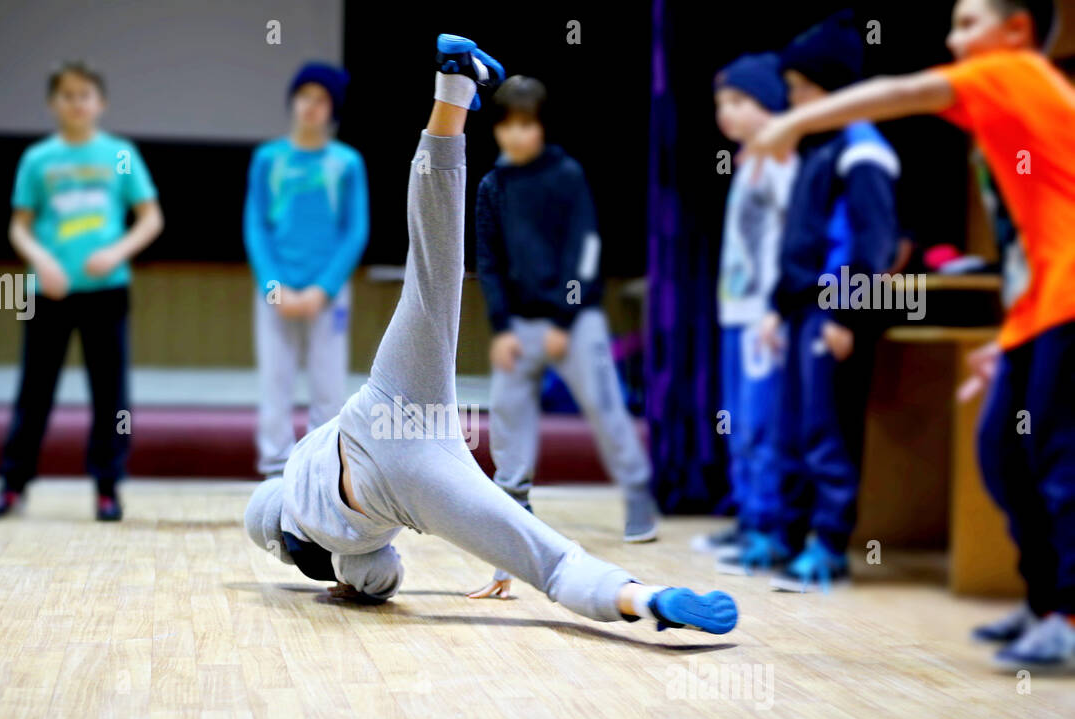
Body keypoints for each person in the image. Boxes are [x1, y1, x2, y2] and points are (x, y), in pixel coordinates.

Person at [243, 35, 738, 636]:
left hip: (416, 465)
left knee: (547, 559)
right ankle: (452, 85)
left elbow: (404, 574)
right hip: (377, 408)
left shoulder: (363, 544)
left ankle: (647, 599)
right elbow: (286, 522)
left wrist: (491, 545)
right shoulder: (291, 485)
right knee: (433, 266)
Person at [745, 0, 1074, 666]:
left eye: (970, 23)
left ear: (1017, 30)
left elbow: (905, 93)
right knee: (1002, 456)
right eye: (951, 24)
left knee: (1055, 462)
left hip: (1065, 302)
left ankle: (1067, 614)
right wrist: (1010, 335)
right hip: (1041, 305)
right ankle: (1043, 603)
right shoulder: (999, 102)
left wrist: (793, 124)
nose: (955, 40)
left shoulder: (1015, 69)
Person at [721, 11, 901, 592]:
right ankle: (791, 537)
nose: (791, 98)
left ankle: (829, 544)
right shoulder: (816, 149)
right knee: (796, 426)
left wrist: (847, 313)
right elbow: (796, 245)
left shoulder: (862, 149)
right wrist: (776, 307)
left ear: (829, 88)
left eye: (799, 88)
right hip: (799, 311)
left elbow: (873, 243)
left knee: (827, 431)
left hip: (831, 311)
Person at [475, 75, 658, 546]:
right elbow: (488, 264)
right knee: (508, 409)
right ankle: (514, 499)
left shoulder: (565, 175)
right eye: (508, 125)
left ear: (542, 128)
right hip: (518, 324)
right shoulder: (492, 187)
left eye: (527, 125)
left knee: (603, 404)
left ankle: (638, 492)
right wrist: (502, 328)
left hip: (576, 321)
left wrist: (563, 318)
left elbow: (585, 249)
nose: (517, 135)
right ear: (496, 129)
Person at [0, 62, 163, 522]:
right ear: (52, 103)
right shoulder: (38, 159)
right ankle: (12, 484)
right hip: (48, 293)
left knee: (110, 394)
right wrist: (40, 260)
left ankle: (107, 487)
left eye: (85, 95)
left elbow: (150, 217)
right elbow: (18, 227)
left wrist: (117, 252)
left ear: (100, 103)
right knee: (34, 390)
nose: (77, 102)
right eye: (67, 95)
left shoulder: (120, 154)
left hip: (107, 290)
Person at [692, 53, 796, 556]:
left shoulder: (782, 159)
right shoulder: (748, 160)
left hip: (764, 316)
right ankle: (747, 514)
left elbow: (795, 238)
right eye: (721, 103)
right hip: (735, 313)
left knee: (761, 423)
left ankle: (769, 529)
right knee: (736, 421)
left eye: (738, 101)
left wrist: (778, 306)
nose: (726, 113)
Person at [244, 62, 369, 479]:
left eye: (321, 99)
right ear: (292, 102)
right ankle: (274, 470)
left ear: (332, 108)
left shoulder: (347, 163)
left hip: (328, 297)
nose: (310, 107)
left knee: (329, 388)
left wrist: (323, 289)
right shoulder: (267, 159)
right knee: (273, 386)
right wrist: (273, 287)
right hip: (275, 294)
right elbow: (256, 226)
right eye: (304, 97)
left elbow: (355, 231)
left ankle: (321, 475)